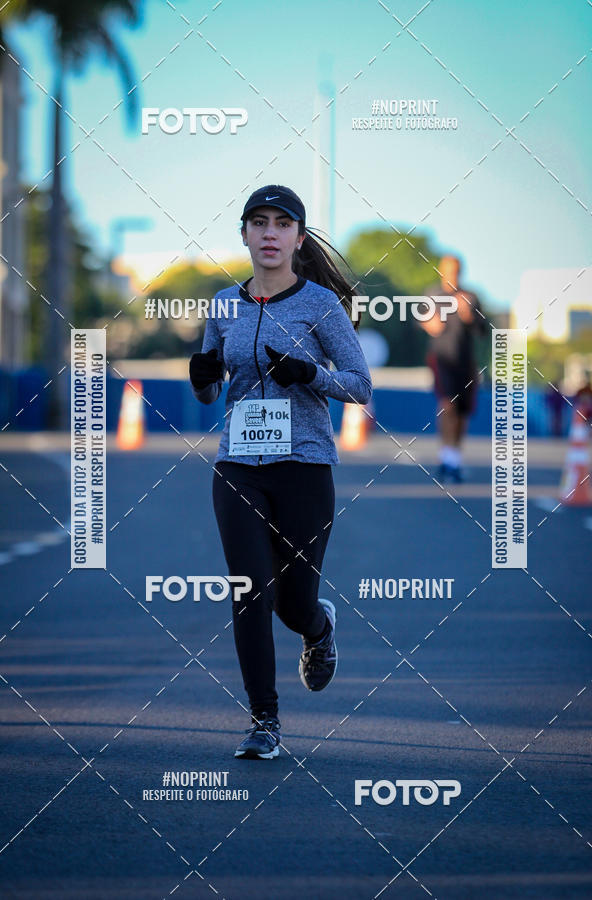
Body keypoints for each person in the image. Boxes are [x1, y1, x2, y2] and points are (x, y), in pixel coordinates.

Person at [189, 185, 372, 760]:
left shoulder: (320, 306)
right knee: (249, 592)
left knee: (292, 605)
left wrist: (310, 373)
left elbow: (360, 385)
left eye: (282, 224)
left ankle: (318, 630)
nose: (269, 233)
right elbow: (213, 391)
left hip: (305, 467)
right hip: (238, 466)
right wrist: (201, 378)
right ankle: (264, 721)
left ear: (297, 236)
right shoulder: (223, 305)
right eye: (258, 223)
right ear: (243, 234)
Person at [421, 254, 486, 483]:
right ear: (441, 271)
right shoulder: (432, 295)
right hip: (441, 359)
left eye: (456, 270)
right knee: (447, 405)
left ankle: (454, 458)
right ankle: (446, 457)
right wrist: (429, 323)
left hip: (465, 362)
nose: (452, 275)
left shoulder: (470, 297)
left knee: (462, 412)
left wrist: (469, 315)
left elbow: (483, 330)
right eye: (448, 270)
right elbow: (419, 319)